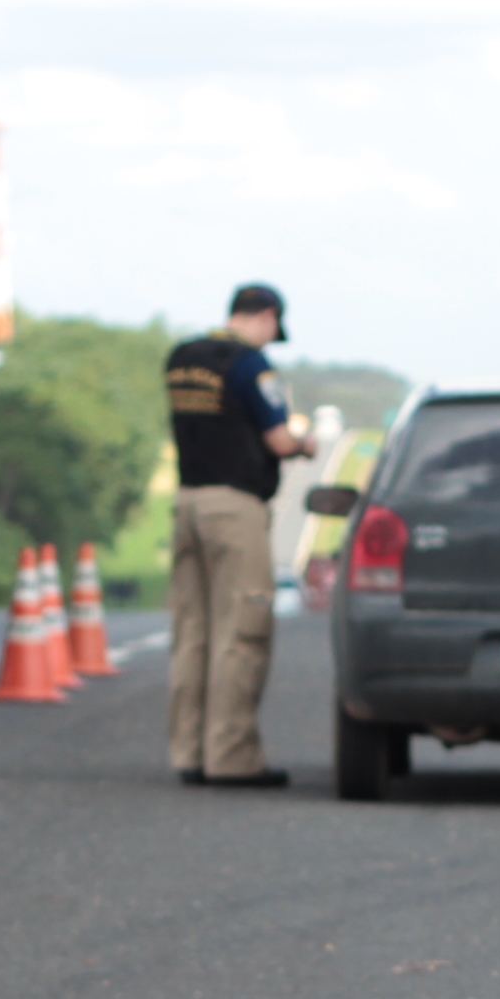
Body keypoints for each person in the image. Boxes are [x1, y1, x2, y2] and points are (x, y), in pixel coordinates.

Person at [164, 284, 312, 787]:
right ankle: (230, 756)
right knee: (242, 631)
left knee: (193, 634)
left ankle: (188, 751)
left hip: (187, 503)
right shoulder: (251, 364)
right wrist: (304, 444)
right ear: (268, 317)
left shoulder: (182, 358)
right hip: (235, 507)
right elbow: (278, 439)